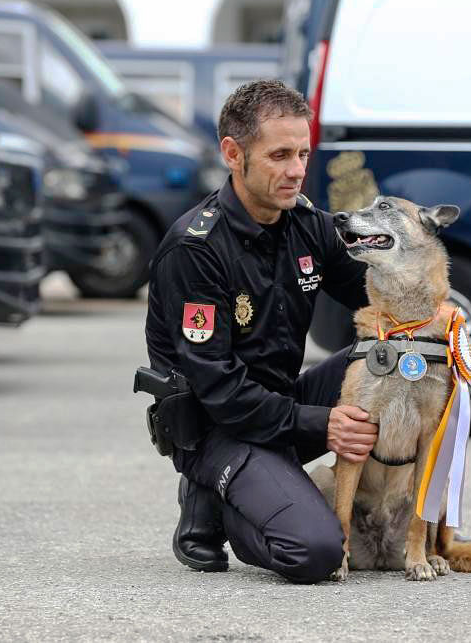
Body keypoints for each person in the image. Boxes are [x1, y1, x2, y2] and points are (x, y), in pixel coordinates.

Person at [144, 80, 377, 584]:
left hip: (278, 405)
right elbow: (221, 392)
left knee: (393, 358)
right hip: (215, 427)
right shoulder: (196, 249)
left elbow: (375, 296)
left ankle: (259, 487)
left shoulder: (306, 224)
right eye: (279, 155)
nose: (296, 170)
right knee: (313, 552)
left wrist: (436, 318)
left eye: (303, 154)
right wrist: (322, 424)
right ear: (233, 153)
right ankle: (221, 503)